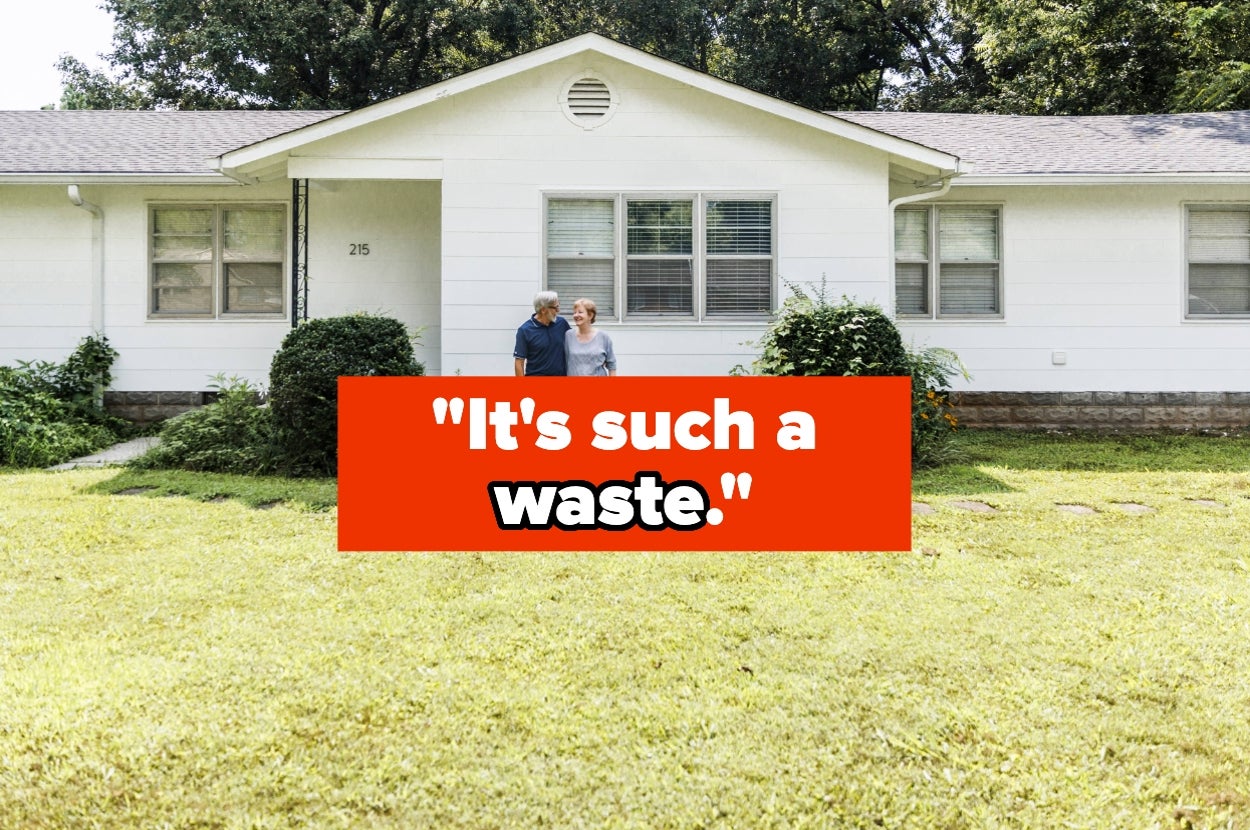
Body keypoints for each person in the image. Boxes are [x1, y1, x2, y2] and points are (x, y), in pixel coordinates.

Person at [514, 290, 570, 376]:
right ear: (543, 310)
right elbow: (519, 362)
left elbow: (576, 341)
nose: (558, 310)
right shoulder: (525, 330)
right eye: (555, 308)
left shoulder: (562, 323)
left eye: (558, 306)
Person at [565, 297, 617, 376]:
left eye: (580, 312)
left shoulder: (603, 337)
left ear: (590, 315)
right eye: (574, 312)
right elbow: (564, 361)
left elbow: (612, 365)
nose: (576, 315)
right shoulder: (568, 336)